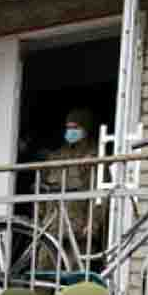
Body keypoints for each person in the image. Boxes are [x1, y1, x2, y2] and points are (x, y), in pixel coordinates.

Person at [41, 108, 109, 264]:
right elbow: (43, 190)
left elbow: (100, 193)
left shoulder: (95, 158)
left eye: (75, 128)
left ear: (85, 130)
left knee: (75, 279)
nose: (71, 132)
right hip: (51, 228)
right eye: (68, 128)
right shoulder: (55, 157)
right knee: (42, 275)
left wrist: (93, 222)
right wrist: (40, 219)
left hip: (79, 229)